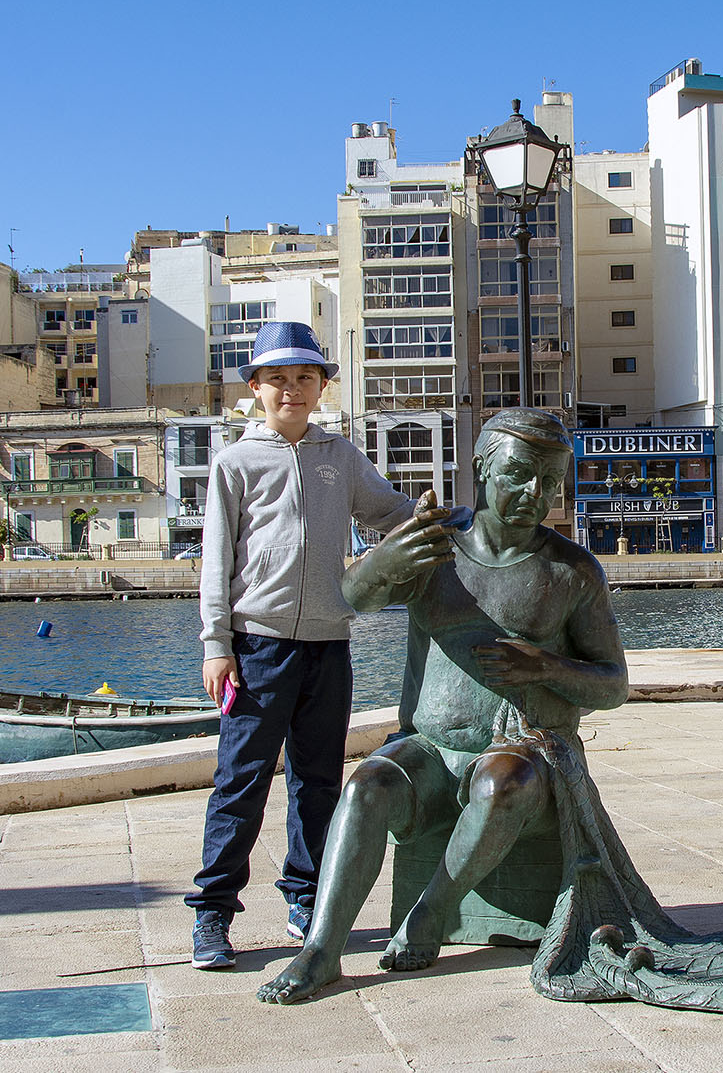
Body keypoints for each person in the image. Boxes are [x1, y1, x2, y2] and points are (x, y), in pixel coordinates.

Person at [259, 407, 632, 1004]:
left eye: (551, 481)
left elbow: (613, 684)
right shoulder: (437, 546)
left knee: (500, 785)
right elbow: (349, 599)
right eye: (519, 475)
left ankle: (433, 912)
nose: (535, 494)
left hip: (523, 757)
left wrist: (546, 667)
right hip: (431, 752)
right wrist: (384, 559)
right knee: (365, 788)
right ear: (482, 468)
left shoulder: (572, 571)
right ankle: (321, 951)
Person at [187, 320, 455, 970]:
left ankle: (306, 899)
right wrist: (215, 644)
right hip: (256, 650)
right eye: (278, 378)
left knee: (317, 783)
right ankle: (213, 913)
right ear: (255, 386)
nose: (292, 390)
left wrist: (435, 517)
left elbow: (387, 513)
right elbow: (216, 561)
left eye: (304, 378)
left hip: (328, 648)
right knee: (240, 781)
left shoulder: (340, 458)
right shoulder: (235, 462)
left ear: (320, 387)